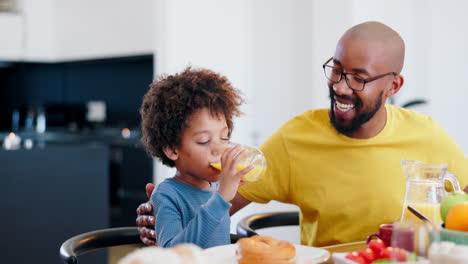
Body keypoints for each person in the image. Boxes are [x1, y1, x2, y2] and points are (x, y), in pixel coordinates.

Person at [136, 21, 468, 247]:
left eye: (358, 78)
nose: (340, 87)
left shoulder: (428, 136)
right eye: (336, 69)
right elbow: (209, 205)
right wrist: (160, 219)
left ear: (394, 85)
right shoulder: (295, 139)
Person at [139, 67, 253, 248]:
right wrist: (222, 198)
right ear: (171, 149)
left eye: (224, 138)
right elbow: (174, 255)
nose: (219, 149)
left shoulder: (216, 188)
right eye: (204, 140)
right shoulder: (167, 195)